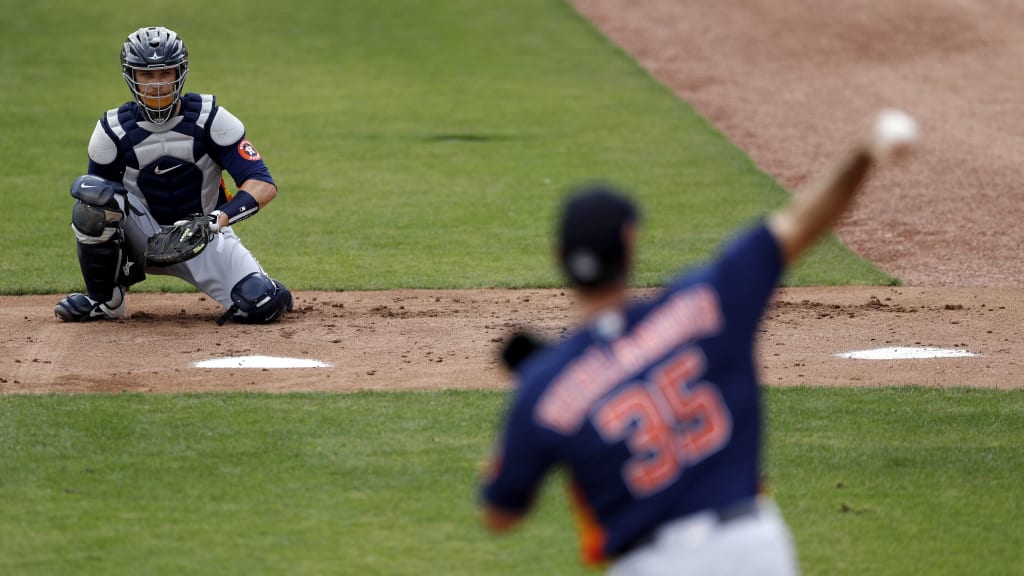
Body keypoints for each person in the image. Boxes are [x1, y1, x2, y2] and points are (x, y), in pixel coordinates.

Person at [480, 110, 918, 575]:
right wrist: (864, 153)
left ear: (558, 257)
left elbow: (500, 513)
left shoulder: (544, 391)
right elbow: (802, 220)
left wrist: (542, 399)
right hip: (752, 552)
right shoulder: (706, 303)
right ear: (631, 245)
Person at [54, 26, 292, 324]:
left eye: (165, 73)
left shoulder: (211, 119)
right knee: (92, 204)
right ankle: (106, 300)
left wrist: (218, 218)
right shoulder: (111, 131)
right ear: (132, 77)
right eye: (147, 75)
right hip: (144, 237)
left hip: (203, 236)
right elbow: (99, 203)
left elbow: (262, 183)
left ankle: (262, 285)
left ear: (180, 72)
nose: (157, 85)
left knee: (263, 304)